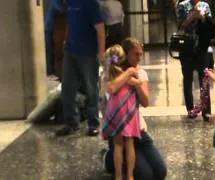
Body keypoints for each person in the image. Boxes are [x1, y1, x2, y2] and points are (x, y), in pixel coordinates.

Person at [101, 37, 167, 180]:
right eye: (135, 54)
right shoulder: (112, 74)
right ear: (125, 54)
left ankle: (130, 162)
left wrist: (137, 83)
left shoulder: (140, 73)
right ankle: (108, 159)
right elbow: (111, 89)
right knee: (145, 176)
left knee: (160, 171)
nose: (139, 58)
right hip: (119, 127)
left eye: (140, 54)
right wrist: (129, 73)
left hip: (138, 130)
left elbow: (145, 102)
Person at [55, 0, 105, 137]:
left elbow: (100, 29)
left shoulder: (91, 3)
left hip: (88, 53)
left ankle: (93, 124)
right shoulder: (70, 2)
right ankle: (71, 123)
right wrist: (65, 41)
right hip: (71, 52)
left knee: (91, 89)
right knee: (67, 88)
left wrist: (101, 53)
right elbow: (70, 23)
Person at [102, 45, 143, 180]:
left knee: (117, 145)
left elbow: (110, 89)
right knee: (129, 143)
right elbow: (138, 82)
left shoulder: (108, 76)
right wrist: (135, 76)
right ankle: (130, 175)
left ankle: (118, 176)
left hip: (114, 111)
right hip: (128, 110)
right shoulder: (127, 74)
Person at [176, 0, 213, 120]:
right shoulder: (182, 6)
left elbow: (210, 27)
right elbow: (180, 27)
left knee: (204, 79)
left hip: (202, 48)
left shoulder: (205, 6)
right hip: (186, 49)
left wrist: (202, 17)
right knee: (187, 79)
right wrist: (190, 17)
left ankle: (206, 111)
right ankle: (190, 109)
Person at [44, 0, 66, 80]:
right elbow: (60, 9)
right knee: (50, 50)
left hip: (55, 30)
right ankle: (50, 72)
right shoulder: (55, 1)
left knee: (54, 51)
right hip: (49, 28)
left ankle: (53, 71)